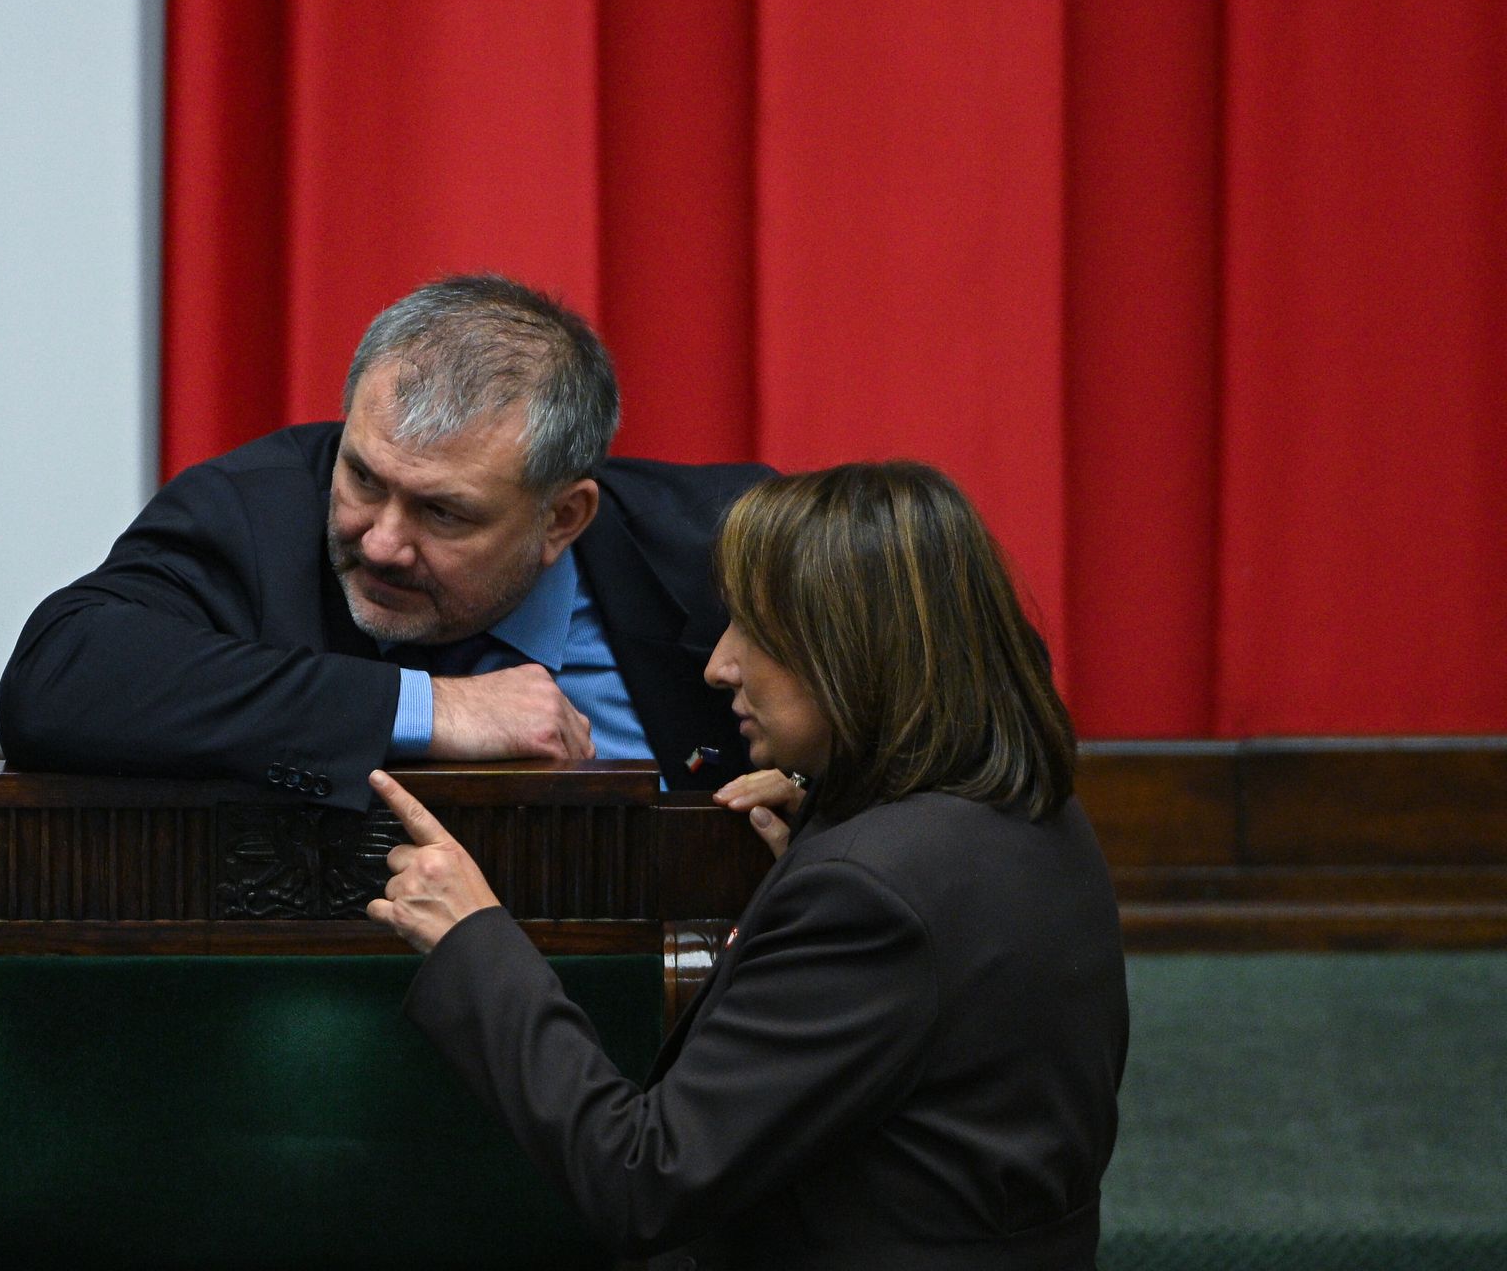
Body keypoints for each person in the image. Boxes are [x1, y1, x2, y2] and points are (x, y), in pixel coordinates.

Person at [367, 461, 1130, 1270]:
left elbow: (641, 1184)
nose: (718, 666)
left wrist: (476, 940)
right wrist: (829, 831)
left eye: (752, 632)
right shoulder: (1032, 811)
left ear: (853, 653)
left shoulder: (868, 892)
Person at [0, 274, 771, 810]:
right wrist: (427, 707)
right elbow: (58, 678)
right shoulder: (253, 513)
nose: (382, 543)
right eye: (364, 479)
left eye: (444, 515)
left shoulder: (730, 545)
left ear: (562, 520)